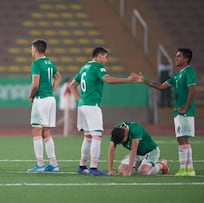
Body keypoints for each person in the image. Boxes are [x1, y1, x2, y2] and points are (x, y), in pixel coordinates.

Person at [69, 47, 138, 176]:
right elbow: (107, 79)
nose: (106, 60)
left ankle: (82, 165)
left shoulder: (84, 68)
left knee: (88, 137)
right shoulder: (98, 67)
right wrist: (127, 80)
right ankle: (93, 168)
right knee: (96, 136)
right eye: (105, 57)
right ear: (99, 56)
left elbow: (72, 85)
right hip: (92, 106)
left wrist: (81, 100)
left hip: (83, 106)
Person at [139, 48, 196, 176]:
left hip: (184, 111)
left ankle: (188, 169)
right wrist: (145, 82)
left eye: (179, 56)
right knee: (181, 139)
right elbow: (160, 87)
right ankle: (186, 169)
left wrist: (186, 108)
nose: (176, 58)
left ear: (186, 59)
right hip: (178, 111)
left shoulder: (189, 71)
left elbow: (192, 89)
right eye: (176, 56)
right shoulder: (177, 75)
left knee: (183, 139)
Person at [27, 39, 62, 172]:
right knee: (46, 132)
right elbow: (58, 76)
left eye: (31, 48)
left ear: (35, 49)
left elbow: (35, 84)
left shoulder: (36, 63)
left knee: (36, 130)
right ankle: (53, 164)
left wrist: (30, 95)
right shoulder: (49, 62)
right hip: (50, 99)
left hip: (41, 99)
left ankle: (40, 164)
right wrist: (51, 89)